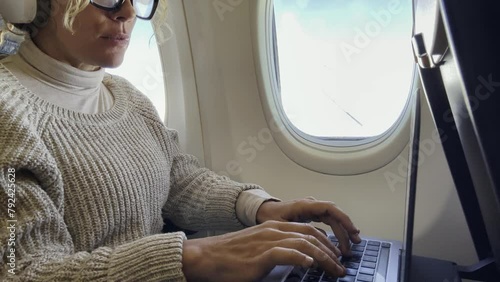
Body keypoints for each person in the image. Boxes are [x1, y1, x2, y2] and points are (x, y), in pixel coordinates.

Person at [0, 0, 361, 281]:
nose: (128, 12)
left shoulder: (124, 96)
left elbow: (178, 181)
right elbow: (24, 271)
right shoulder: (8, 112)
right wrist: (193, 256)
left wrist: (261, 208)